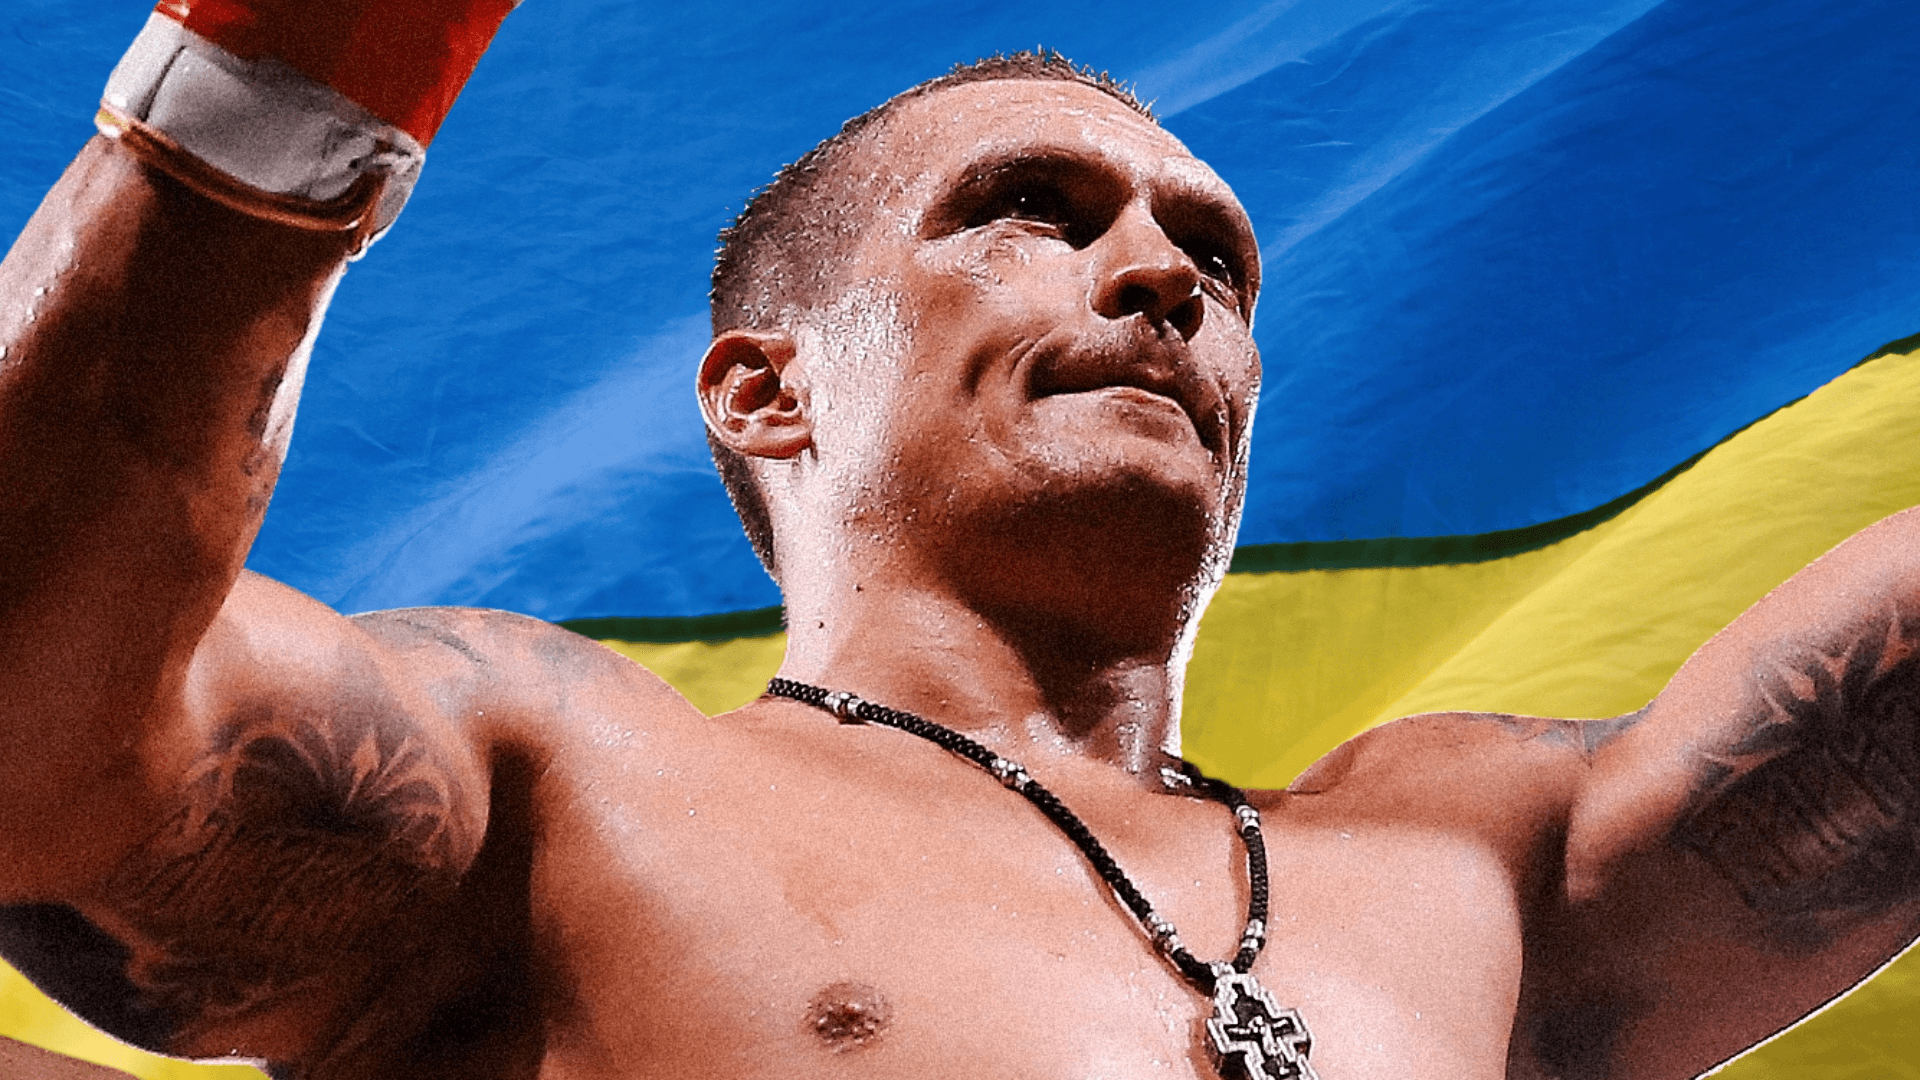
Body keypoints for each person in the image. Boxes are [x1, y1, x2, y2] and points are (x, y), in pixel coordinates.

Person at [2, 2, 1916, 1078]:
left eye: (1215, 259)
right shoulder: (558, 779)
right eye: (1030, 212)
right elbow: (38, 740)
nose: (1162, 277)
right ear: (767, 393)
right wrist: (307, 46)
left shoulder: (1488, 863)